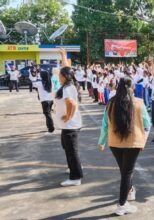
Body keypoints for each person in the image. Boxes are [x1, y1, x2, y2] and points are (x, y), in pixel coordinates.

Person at [98, 77, 151, 216]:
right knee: (126, 173)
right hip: (133, 143)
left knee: (125, 171)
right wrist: (143, 140)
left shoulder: (111, 103)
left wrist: (102, 141)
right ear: (132, 88)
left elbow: (104, 123)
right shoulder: (139, 103)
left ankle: (130, 191)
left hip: (114, 143)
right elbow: (147, 124)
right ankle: (121, 204)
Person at [55, 48, 83, 187]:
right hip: (68, 126)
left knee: (72, 151)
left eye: (59, 75)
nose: (58, 76)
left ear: (64, 77)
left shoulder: (67, 88)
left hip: (70, 126)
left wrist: (68, 116)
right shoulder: (68, 84)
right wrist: (63, 55)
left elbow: (72, 103)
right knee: (67, 148)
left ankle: (76, 177)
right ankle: (72, 167)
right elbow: (66, 68)